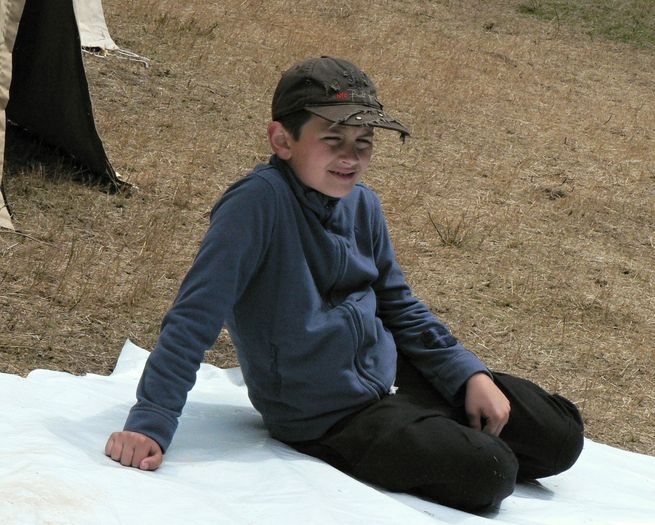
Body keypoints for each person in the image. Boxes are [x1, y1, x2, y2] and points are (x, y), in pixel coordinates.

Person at [105, 56, 583, 512]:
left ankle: (434, 418)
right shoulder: (255, 206)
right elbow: (194, 318)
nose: (350, 157)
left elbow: (399, 305)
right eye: (333, 139)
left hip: (389, 374)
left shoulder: (363, 204)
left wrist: (466, 374)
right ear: (282, 140)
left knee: (559, 436)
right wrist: (151, 423)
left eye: (364, 141)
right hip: (328, 414)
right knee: (491, 471)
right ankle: (432, 429)